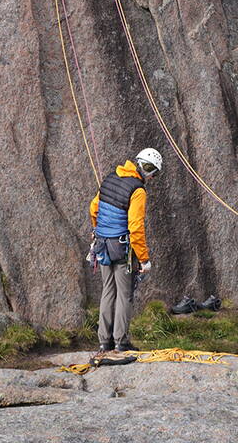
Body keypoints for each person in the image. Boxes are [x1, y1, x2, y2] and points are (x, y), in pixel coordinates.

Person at [88, 147, 162, 352]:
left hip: (102, 244)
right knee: (124, 294)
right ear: (145, 170)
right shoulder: (137, 190)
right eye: (151, 171)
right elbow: (135, 227)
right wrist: (144, 259)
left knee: (108, 290)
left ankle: (104, 341)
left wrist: (98, 228)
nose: (151, 176)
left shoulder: (110, 178)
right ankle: (121, 341)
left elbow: (94, 207)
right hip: (121, 248)